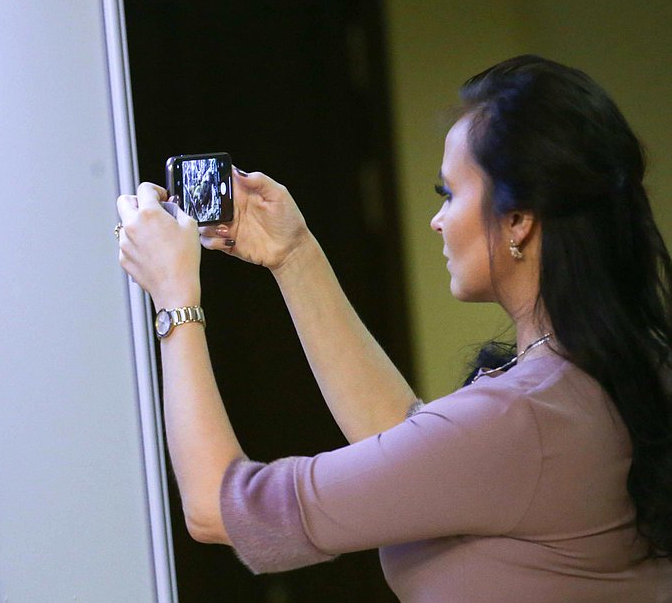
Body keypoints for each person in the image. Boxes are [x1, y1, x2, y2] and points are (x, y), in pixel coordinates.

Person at [115, 55, 672, 602]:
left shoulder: (521, 416)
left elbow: (219, 508)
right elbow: (409, 445)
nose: (438, 219)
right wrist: (293, 254)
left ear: (518, 220)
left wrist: (175, 298)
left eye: (449, 194)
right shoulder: (603, 377)